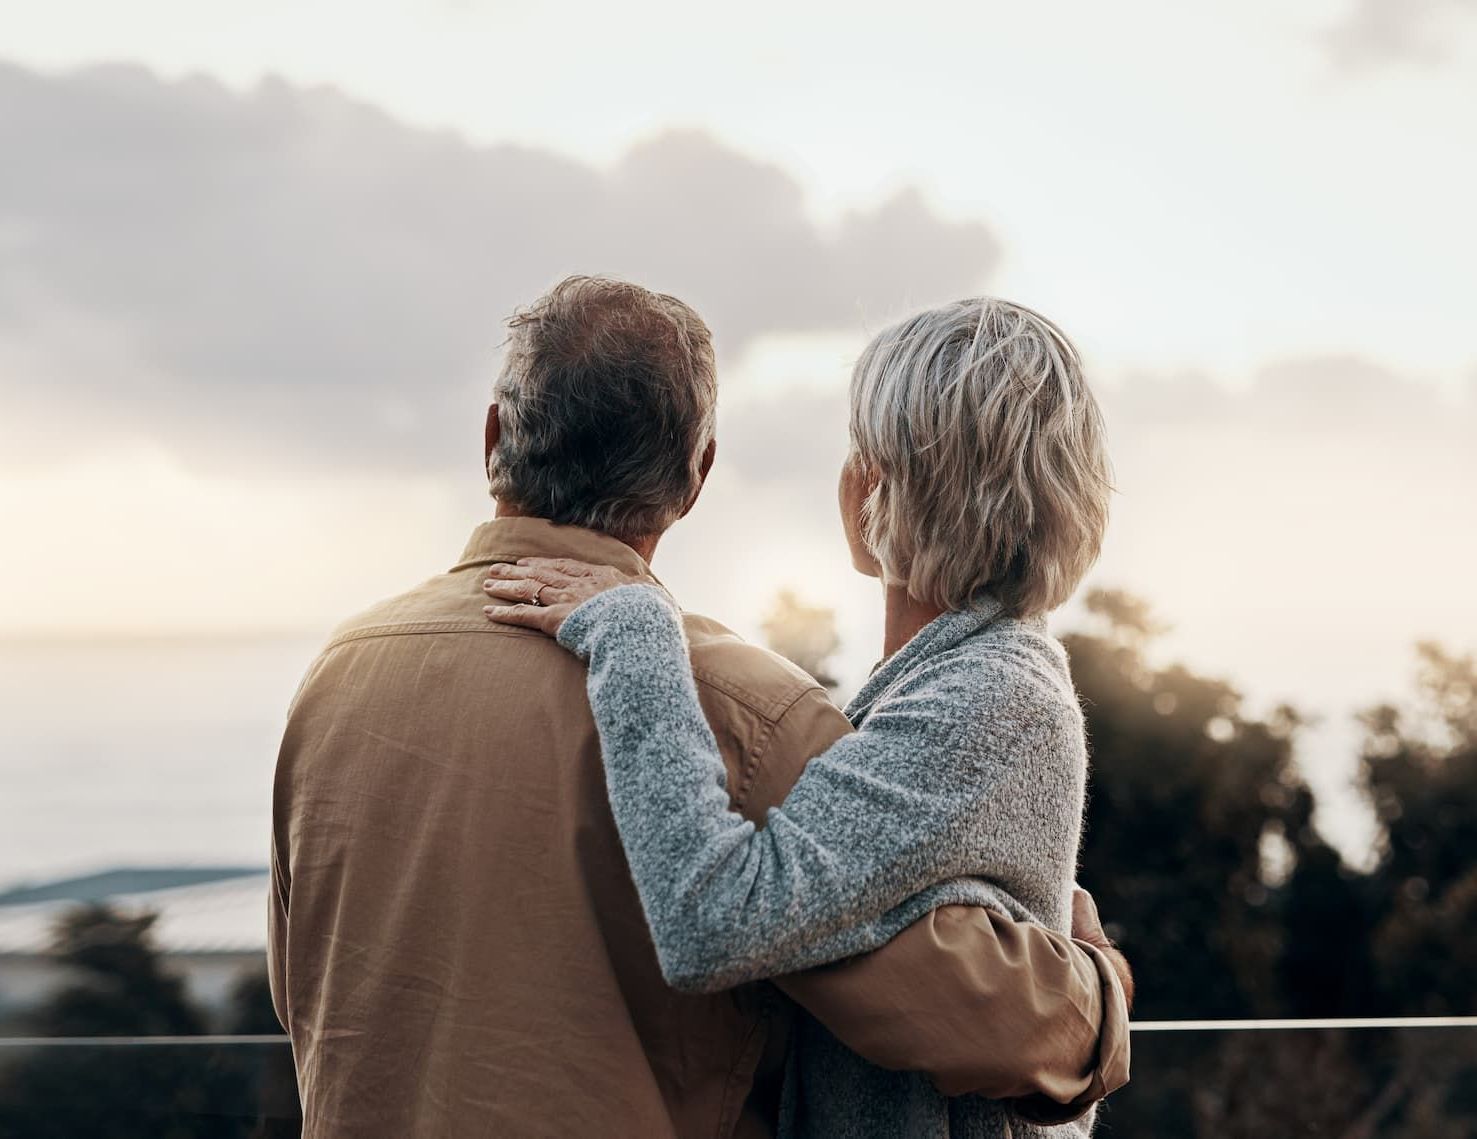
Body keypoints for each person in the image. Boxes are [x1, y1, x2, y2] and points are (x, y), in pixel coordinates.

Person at [271, 277, 1129, 1139]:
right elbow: (946, 996)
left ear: (493, 433)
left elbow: (297, 986)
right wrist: (1090, 997)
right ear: (696, 471)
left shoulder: (338, 676)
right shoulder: (751, 717)